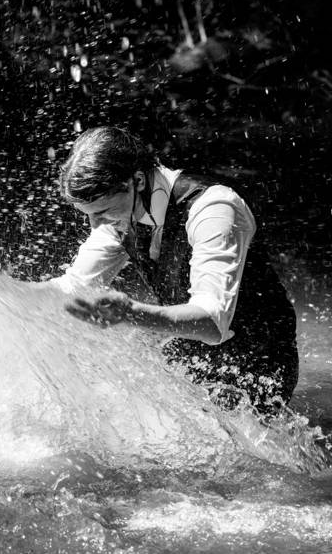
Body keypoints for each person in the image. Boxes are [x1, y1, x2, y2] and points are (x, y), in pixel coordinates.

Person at [54, 126, 298, 413]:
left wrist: (130, 313)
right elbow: (71, 289)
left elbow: (211, 322)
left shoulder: (214, 207)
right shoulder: (119, 216)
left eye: (103, 211)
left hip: (256, 368)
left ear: (138, 180)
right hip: (189, 355)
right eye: (90, 216)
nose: (97, 225)